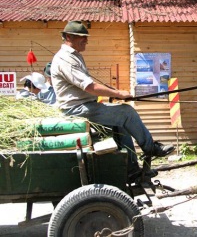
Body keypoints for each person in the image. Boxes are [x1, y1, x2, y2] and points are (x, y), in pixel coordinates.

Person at [50, 21, 175, 181]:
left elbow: (86, 89)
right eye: (82, 37)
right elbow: (89, 86)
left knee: (121, 123)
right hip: (76, 110)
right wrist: (118, 93)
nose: (86, 41)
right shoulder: (65, 59)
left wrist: (113, 95)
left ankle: (131, 169)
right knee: (127, 112)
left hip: (85, 105)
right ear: (68, 37)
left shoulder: (74, 56)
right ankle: (151, 148)